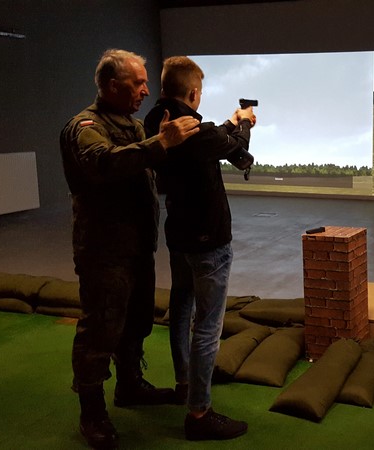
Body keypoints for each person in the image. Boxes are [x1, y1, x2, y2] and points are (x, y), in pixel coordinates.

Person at [60, 48, 201, 449]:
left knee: (137, 319)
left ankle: (130, 385)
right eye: (137, 83)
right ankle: (92, 412)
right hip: (104, 251)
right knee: (100, 329)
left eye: (145, 83)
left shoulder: (134, 126)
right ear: (111, 85)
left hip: (137, 245)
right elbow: (103, 163)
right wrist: (161, 142)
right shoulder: (85, 126)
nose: (145, 90)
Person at [144, 56, 254, 441]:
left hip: (179, 236)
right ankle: (199, 412)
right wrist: (245, 126)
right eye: (200, 92)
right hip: (209, 239)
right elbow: (237, 151)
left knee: (181, 308)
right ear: (193, 93)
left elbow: (212, 139)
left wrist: (231, 122)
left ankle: (184, 384)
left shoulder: (156, 122)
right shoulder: (196, 130)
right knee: (207, 325)